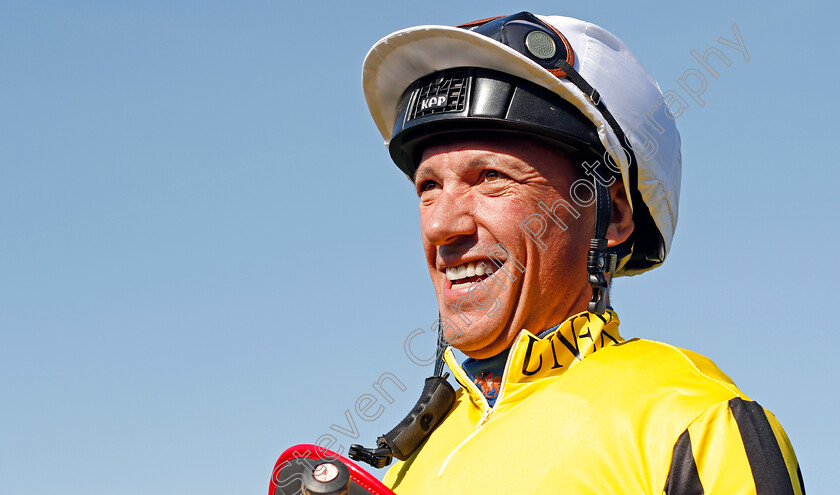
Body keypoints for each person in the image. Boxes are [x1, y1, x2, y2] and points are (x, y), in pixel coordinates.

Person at [359, 12, 804, 494]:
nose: (442, 225)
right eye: (428, 187)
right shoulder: (409, 465)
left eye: (491, 178)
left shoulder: (695, 421)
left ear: (611, 214)